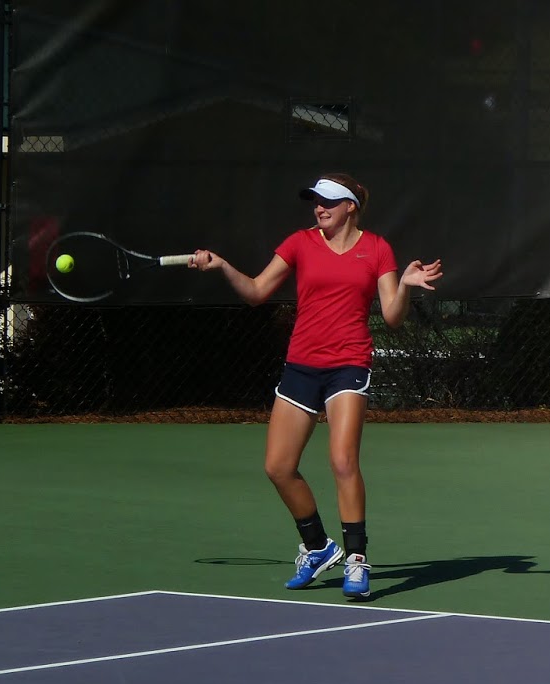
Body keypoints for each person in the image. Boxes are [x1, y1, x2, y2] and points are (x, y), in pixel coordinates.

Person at [189, 174, 443, 598]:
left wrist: (403, 285)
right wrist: (222, 266)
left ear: (350, 206)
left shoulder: (376, 248)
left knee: (343, 461)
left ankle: (357, 560)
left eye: (328, 201)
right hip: (302, 366)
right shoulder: (299, 243)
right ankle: (318, 546)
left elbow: (392, 317)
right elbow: (256, 292)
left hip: (349, 364)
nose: (319, 207)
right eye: (315, 201)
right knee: (278, 467)